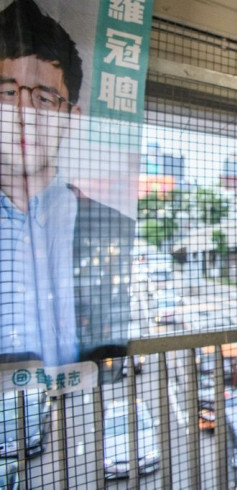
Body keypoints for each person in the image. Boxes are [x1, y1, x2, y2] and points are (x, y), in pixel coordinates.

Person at [0, 0, 133, 366]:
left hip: (66, 414)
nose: (25, 114)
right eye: (8, 94)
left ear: (71, 118)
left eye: (44, 98)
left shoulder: (111, 227)